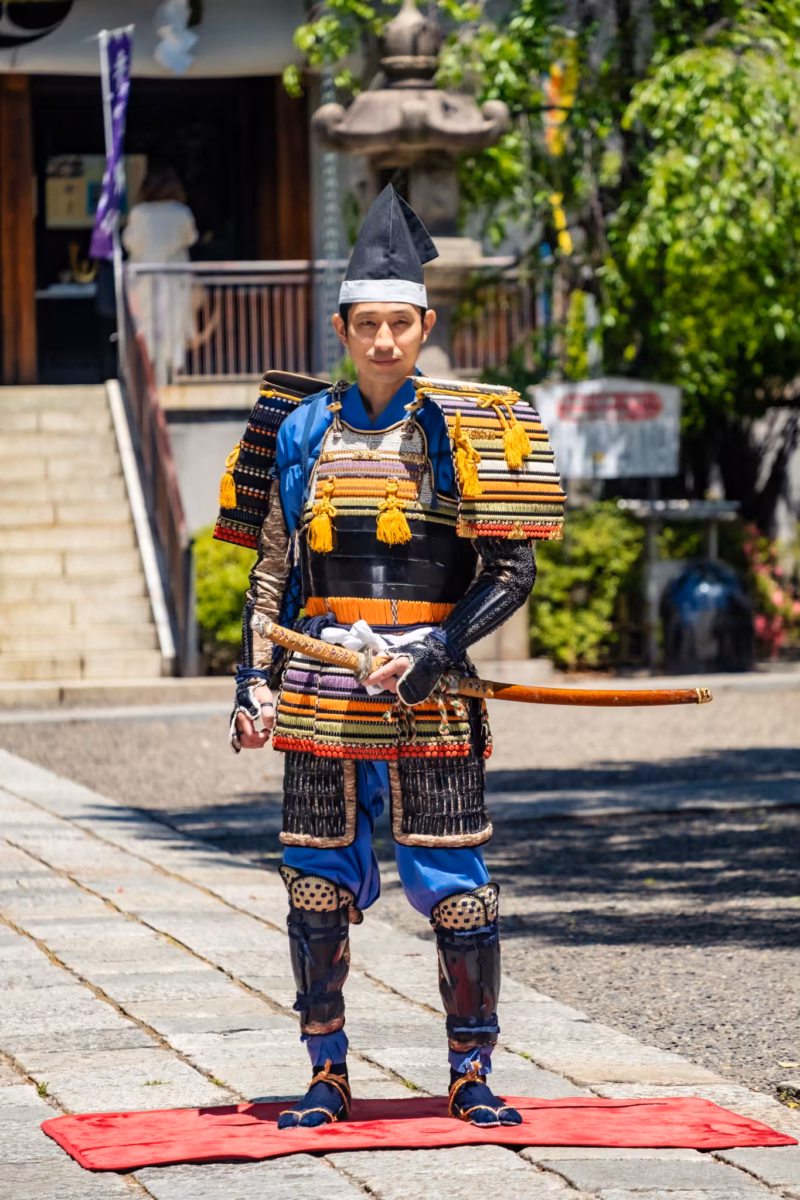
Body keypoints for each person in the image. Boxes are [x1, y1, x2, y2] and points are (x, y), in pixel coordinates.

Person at [214, 185, 564, 1129]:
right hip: (324, 685)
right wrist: (254, 680)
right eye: (365, 323)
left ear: (423, 324)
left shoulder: (469, 426)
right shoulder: (297, 430)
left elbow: (512, 566)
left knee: (457, 888)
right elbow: (276, 571)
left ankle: (471, 1072)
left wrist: (441, 643)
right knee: (315, 881)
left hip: (429, 693)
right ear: (342, 325)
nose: (381, 340)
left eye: (397, 324)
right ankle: (326, 1071)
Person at [122, 166, 198, 378]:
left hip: (146, 277)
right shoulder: (182, 212)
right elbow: (190, 238)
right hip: (176, 278)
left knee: (147, 325)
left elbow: (130, 243)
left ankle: (150, 373)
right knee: (174, 325)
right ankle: (174, 371)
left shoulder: (140, 213)